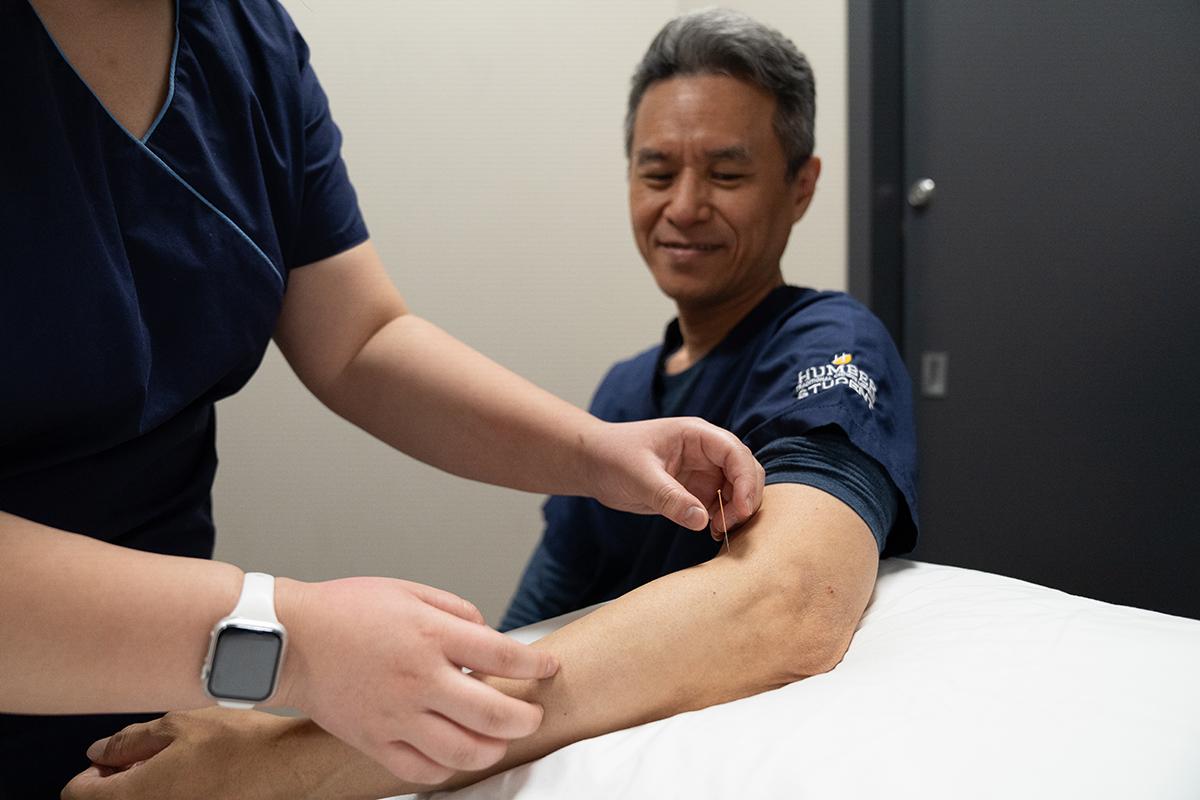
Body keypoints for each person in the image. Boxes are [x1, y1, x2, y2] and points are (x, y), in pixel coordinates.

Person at [59, 7, 919, 799]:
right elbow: (534, 629)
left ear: (801, 187)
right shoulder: (627, 396)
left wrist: (288, 759)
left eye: (728, 172)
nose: (684, 206)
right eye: (657, 170)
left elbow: (790, 601)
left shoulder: (828, 344)